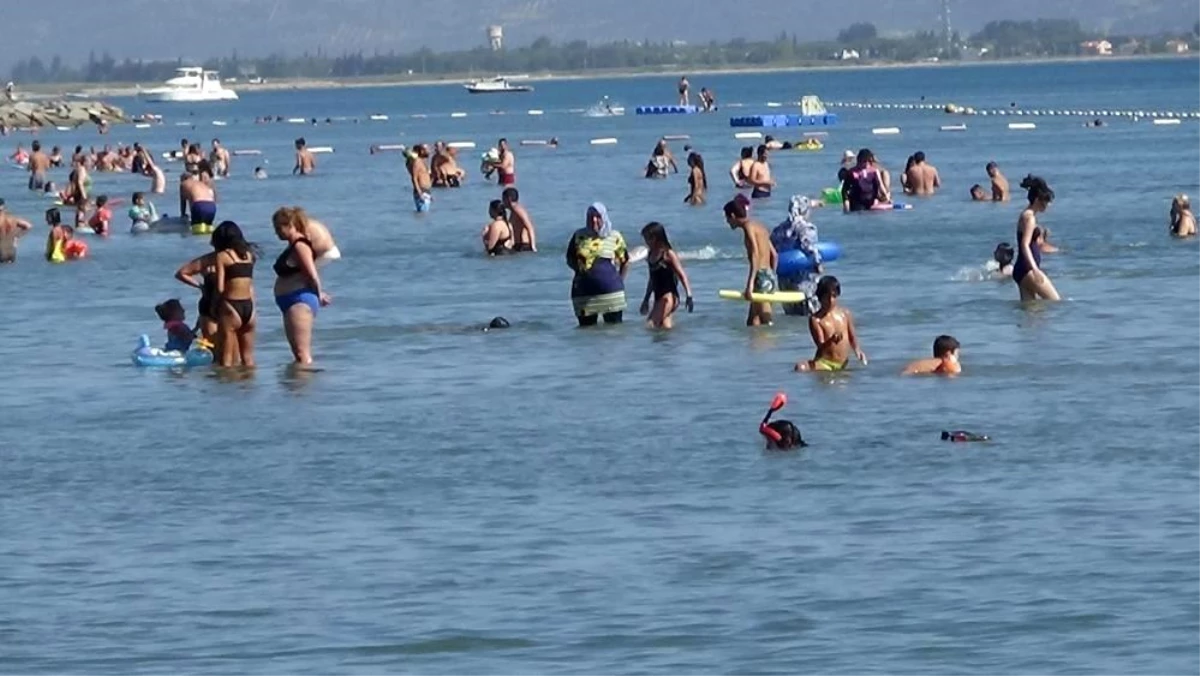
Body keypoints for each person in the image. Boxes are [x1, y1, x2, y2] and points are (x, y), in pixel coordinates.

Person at [272, 207, 331, 365]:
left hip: (298, 300)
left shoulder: (300, 246)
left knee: (302, 353)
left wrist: (319, 294)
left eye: (279, 228)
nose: (276, 233)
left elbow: (311, 273)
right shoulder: (292, 246)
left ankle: (304, 387)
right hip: (290, 300)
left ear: (290, 225)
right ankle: (297, 386)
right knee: (297, 354)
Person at [567, 203, 629, 327]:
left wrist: (620, 280)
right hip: (583, 295)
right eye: (590, 217)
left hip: (611, 294)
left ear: (604, 217)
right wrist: (581, 273)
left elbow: (625, 261)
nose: (594, 220)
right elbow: (570, 258)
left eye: (598, 216)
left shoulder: (614, 236)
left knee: (614, 331)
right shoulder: (579, 236)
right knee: (585, 333)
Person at [795, 276, 867, 372]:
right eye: (826, 297)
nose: (830, 300)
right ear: (820, 297)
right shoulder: (816, 320)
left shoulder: (845, 314)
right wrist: (831, 340)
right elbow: (820, 346)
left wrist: (858, 350)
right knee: (800, 367)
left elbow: (852, 337)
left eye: (833, 296)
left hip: (843, 363)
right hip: (825, 363)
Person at [211, 221, 258, 367]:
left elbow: (220, 288)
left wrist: (214, 306)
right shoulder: (249, 255)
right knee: (248, 359)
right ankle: (248, 388)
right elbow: (250, 284)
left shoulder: (222, 256)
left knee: (226, 360)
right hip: (249, 307)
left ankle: (227, 389)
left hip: (231, 305)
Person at [724, 199, 778, 327]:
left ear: (732, 216)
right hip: (769, 275)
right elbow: (775, 255)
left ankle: (776, 345)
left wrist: (750, 283)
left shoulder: (748, 227)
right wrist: (772, 276)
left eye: (727, 218)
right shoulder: (760, 226)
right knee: (753, 321)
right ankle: (754, 346)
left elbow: (755, 254)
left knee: (766, 319)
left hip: (760, 276)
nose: (727, 222)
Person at [771, 195, 823, 315]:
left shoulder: (778, 229)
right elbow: (809, 247)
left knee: (792, 314)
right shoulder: (806, 228)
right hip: (804, 279)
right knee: (811, 314)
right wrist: (818, 265)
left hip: (784, 279)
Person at [1012, 175, 1060, 301]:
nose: (1048, 205)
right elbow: (1025, 245)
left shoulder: (1026, 214)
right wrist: (1035, 270)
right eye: (1046, 201)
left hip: (1021, 270)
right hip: (1028, 269)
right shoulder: (1030, 218)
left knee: (1031, 314)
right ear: (1038, 199)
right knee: (1056, 302)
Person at [639, 222, 693, 329]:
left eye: (647, 238)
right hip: (658, 297)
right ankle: (676, 344)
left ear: (655, 238)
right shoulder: (650, 254)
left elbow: (682, 275)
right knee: (664, 327)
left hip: (669, 297)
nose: (645, 242)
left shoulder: (668, 254)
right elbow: (652, 279)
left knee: (650, 326)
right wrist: (646, 299)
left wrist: (689, 296)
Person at [175, 250, 220, 344]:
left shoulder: (207, 260)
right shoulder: (237, 258)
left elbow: (181, 274)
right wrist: (201, 286)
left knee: (213, 344)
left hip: (210, 302)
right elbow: (181, 274)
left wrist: (200, 286)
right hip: (222, 303)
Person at [840, 148, 884, 213]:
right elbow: (844, 190)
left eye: (868, 162)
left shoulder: (874, 172)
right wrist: (846, 202)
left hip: (871, 201)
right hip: (857, 202)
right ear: (859, 161)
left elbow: (879, 186)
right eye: (864, 161)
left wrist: (884, 197)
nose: (866, 164)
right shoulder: (851, 172)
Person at [502, 188, 537, 252]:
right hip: (518, 245)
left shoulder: (518, 209)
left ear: (509, 199)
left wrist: (533, 246)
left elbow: (530, 227)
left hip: (523, 246)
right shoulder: (513, 211)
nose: (503, 202)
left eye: (503, 199)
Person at [406, 145, 433, 212]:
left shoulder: (422, 162)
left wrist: (429, 193)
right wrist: (419, 193)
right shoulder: (417, 162)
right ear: (422, 151)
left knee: (425, 215)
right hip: (421, 191)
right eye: (427, 150)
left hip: (426, 191)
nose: (429, 151)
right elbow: (414, 178)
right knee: (423, 214)